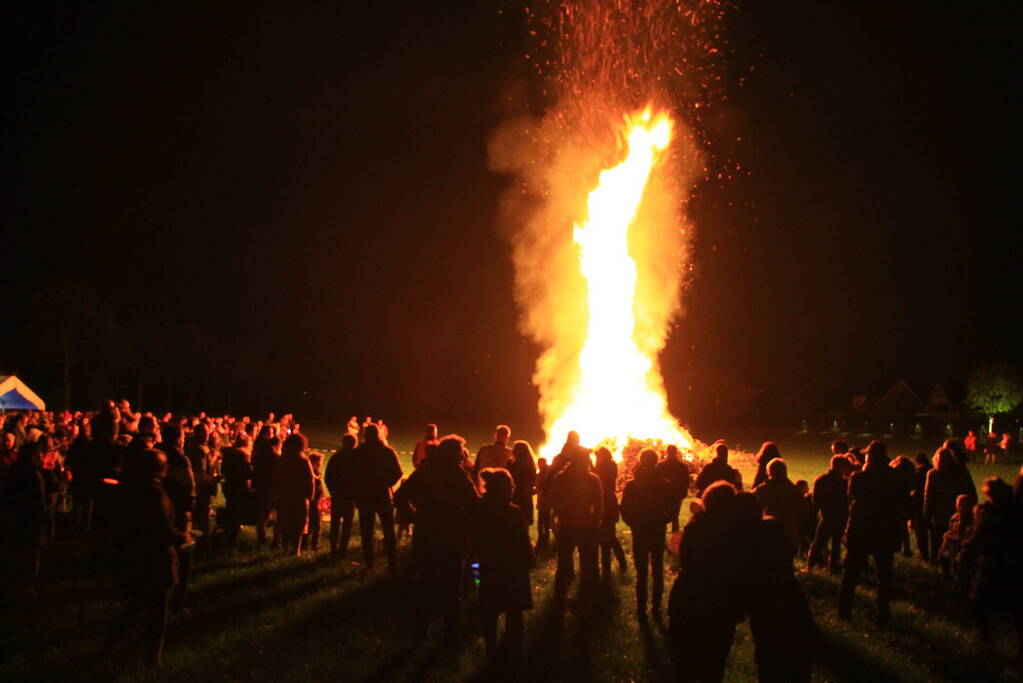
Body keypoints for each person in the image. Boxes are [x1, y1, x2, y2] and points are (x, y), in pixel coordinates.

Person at [102, 449, 189, 666]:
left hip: (137, 555)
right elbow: (160, 529)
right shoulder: (154, 494)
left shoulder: (132, 488)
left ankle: (109, 644)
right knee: (158, 611)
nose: (167, 468)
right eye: (164, 465)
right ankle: (152, 657)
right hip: (156, 558)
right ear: (157, 469)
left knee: (138, 605)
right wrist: (182, 537)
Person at [394, 435, 477, 643]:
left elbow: (400, 497)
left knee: (426, 584)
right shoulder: (459, 476)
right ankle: (449, 633)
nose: (462, 455)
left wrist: (415, 517)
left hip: (427, 535)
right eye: (459, 451)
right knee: (451, 587)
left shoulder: (425, 473)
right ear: (452, 453)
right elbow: (474, 505)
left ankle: (420, 631)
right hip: (452, 538)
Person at [668, 482, 744, 682]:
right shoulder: (735, 533)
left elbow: (685, 558)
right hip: (720, 602)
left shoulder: (695, 527)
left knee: (685, 663)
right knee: (714, 665)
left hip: (689, 597)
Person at [735, 492, 815, 683]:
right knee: (796, 665)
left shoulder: (747, 539)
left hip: (769, 610)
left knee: (770, 663)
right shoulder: (772, 528)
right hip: (793, 605)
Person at [472, 468, 534, 665]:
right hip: (512, 569)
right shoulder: (513, 513)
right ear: (505, 488)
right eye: (511, 485)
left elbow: (474, 538)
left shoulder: (479, 508)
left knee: (490, 611)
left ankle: (492, 652)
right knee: (514, 612)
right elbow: (522, 542)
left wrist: (475, 568)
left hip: (488, 567)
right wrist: (529, 559)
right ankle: (515, 652)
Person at [839, 441, 902, 625]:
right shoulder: (894, 477)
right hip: (885, 530)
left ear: (870, 458)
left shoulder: (859, 478)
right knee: (884, 575)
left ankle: (844, 610)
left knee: (850, 573)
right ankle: (883, 612)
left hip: (861, 529)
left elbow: (852, 497)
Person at [621, 449, 672, 616]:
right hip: (656, 530)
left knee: (641, 571)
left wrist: (634, 524)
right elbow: (672, 510)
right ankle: (655, 607)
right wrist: (662, 521)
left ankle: (641, 607)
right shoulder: (664, 485)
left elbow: (625, 510)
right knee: (657, 569)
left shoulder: (632, 485)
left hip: (640, 531)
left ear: (641, 461)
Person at [550, 447, 602, 599]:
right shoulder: (592, 479)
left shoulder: (560, 477)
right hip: (586, 526)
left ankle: (559, 595)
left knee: (564, 562)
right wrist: (595, 521)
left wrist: (561, 514)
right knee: (588, 563)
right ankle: (587, 594)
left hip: (568, 525)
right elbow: (599, 504)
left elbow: (554, 500)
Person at [354, 424, 402, 571]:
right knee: (388, 530)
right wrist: (387, 484)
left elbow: (351, 472)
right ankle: (392, 562)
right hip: (383, 495)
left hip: (365, 496)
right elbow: (398, 472)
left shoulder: (359, 452)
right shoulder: (387, 451)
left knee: (366, 531)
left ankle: (369, 564)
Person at [3, 441, 47, 594]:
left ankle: (15, 583)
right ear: (33, 456)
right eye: (40, 454)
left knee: (16, 550)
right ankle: (28, 587)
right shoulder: (34, 475)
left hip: (14, 518)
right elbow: (38, 500)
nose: (42, 457)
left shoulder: (13, 470)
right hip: (29, 519)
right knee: (32, 552)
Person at [807, 455, 850, 572]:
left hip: (826, 516)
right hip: (840, 517)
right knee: (836, 544)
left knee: (818, 542)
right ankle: (833, 567)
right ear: (841, 467)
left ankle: (810, 565)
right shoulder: (844, 483)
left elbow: (815, 501)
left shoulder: (821, 480)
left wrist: (814, 515)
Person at [274, 434, 315, 556]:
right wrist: (310, 496)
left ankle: (285, 547)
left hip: (284, 495)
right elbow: (310, 480)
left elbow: (276, 477)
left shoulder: (282, 459)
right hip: (299, 496)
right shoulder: (303, 461)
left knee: (285, 521)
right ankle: (296, 550)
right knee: (298, 524)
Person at [753, 458, 803, 555]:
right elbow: (804, 511)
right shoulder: (794, 490)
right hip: (789, 531)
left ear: (769, 472)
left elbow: (751, 506)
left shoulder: (763, 489)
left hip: (769, 530)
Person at [924, 447, 961, 566]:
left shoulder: (933, 474)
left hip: (940, 512)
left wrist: (927, 516)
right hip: (953, 511)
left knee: (937, 539)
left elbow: (928, 496)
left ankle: (936, 560)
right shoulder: (957, 473)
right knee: (950, 537)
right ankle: (947, 560)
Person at [324, 433, 358, 559]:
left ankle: (333, 548)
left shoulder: (335, 457)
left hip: (338, 496)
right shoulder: (357, 459)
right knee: (347, 525)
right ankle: (342, 550)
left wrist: (333, 491)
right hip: (349, 497)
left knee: (335, 524)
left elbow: (328, 477)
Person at [593, 447, 626, 576]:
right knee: (607, 537)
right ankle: (616, 565)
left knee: (608, 538)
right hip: (606, 503)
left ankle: (608, 569)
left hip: (607, 504)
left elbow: (602, 482)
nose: (597, 459)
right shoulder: (607, 466)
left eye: (599, 456)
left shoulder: (608, 467)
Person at [219, 432, 253, 545]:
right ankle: (231, 537)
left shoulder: (227, 453)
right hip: (240, 486)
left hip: (229, 485)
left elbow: (223, 470)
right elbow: (248, 473)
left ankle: (228, 532)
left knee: (230, 507)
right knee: (237, 511)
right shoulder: (244, 455)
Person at [251, 425, 280, 544]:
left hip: (266, 484)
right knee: (266, 510)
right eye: (267, 433)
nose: (269, 435)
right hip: (267, 484)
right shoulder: (267, 452)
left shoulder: (266, 451)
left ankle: (265, 536)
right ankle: (266, 538)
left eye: (271, 433)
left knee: (266, 511)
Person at [655, 444, 690, 532]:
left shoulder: (660, 465)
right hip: (674, 495)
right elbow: (686, 483)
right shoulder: (682, 467)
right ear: (676, 452)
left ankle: (662, 536)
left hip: (665, 495)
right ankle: (674, 537)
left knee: (663, 515)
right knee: (674, 517)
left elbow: (656, 481)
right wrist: (682, 494)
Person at [889, 455, 916, 557]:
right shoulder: (908, 475)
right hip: (904, 503)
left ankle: (900, 547)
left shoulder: (895, 475)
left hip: (896, 503)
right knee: (903, 527)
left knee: (897, 526)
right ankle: (906, 548)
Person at [507, 440, 537, 529]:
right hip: (525, 495)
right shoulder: (530, 464)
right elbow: (533, 480)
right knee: (524, 521)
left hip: (515, 495)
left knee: (513, 522)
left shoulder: (512, 464)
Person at [910, 453, 932, 560]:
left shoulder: (917, 473)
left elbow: (912, 488)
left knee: (920, 530)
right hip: (933, 503)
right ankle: (934, 552)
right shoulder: (933, 470)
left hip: (919, 504)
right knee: (933, 531)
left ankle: (923, 553)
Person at [306, 451, 324, 552]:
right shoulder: (311, 474)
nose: (321, 464)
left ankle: (313, 544)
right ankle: (313, 545)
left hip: (317, 502)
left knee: (315, 524)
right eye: (320, 462)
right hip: (312, 503)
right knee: (315, 525)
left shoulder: (318, 473)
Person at [535, 457, 552, 549]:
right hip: (544, 501)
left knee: (543, 521)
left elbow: (539, 486)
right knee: (544, 521)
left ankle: (543, 538)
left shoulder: (544, 474)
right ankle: (544, 538)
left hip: (544, 501)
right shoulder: (542, 473)